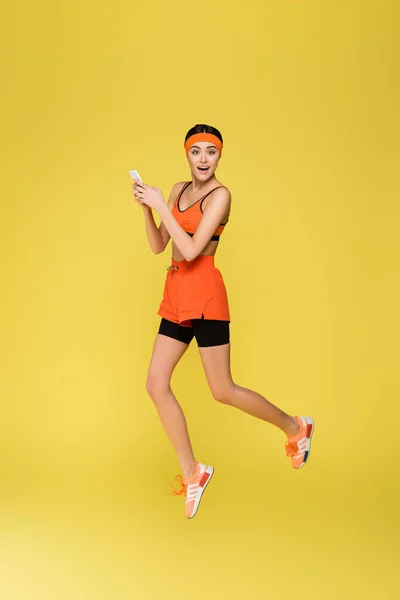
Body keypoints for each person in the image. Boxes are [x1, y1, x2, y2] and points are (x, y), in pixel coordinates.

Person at [132, 124, 315, 519]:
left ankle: (295, 426)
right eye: (195, 151)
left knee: (222, 389)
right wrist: (149, 210)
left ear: (219, 156)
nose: (202, 159)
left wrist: (163, 206)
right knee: (155, 383)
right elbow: (159, 245)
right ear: (186, 155)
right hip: (177, 292)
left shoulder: (221, 196)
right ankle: (192, 472)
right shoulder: (180, 190)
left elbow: (194, 250)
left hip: (205, 292)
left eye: (210, 152)